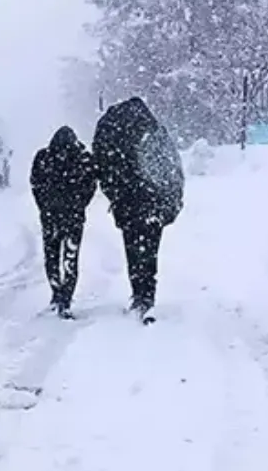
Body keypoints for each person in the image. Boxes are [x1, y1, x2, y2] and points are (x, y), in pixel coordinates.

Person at [92, 96, 185, 323]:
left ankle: (138, 293)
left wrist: (115, 196)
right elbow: (173, 169)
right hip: (155, 205)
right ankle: (148, 296)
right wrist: (172, 202)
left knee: (133, 250)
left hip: (129, 206)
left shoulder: (114, 134)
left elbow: (103, 169)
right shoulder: (154, 132)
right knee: (150, 251)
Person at [30, 126, 97, 319]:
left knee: (51, 257)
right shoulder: (83, 159)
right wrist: (79, 205)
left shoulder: (43, 158)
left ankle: (57, 293)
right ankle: (66, 299)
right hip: (73, 218)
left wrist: (44, 206)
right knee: (71, 258)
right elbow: (91, 186)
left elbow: (35, 183)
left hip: (50, 217)